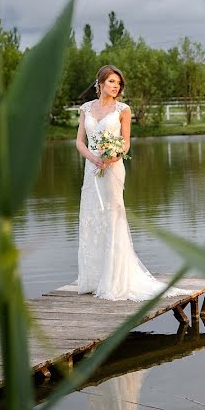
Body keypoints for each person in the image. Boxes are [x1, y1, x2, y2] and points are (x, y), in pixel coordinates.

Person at [74, 65, 188, 300]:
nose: (116, 87)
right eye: (112, 82)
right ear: (100, 83)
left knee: (113, 216)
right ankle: (93, 278)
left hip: (113, 168)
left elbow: (125, 142)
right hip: (91, 167)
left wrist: (112, 157)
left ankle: (114, 278)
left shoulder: (123, 110)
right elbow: (79, 142)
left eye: (118, 83)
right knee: (92, 215)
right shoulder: (86, 109)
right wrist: (94, 158)